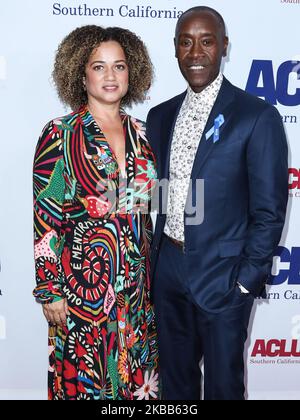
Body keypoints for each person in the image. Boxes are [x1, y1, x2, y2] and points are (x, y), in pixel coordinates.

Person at [146, 6, 288, 400]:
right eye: (186, 42)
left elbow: (268, 211)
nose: (196, 52)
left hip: (225, 277)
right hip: (168, 272)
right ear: (175, 49)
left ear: (224, 46)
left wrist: (246, 281)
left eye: (206, 41)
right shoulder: (160, 116)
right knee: (175, 387)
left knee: (224, 389)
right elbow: (165, 194)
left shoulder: (256, 116)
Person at [33, 25, 160, 400]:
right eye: (99, 66)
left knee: (138, 390)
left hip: (138, 297)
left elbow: (149, 212)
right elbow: (45, 217)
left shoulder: (144, 134)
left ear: (131, 72)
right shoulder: (60, 134)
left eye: (119, 67)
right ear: (80, 72)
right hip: (82, 296)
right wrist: (49, 289)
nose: (110, 76)